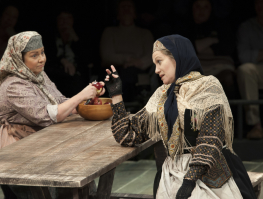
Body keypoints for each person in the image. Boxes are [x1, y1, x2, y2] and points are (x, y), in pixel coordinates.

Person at [104, 35, 256, 199]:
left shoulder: (207, 86)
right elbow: (126, 135)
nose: (156, 70)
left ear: (176, 58)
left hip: (210, 172)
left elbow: (210, 139)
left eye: (159, 61)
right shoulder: (161, 95)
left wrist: (189, 181)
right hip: (172, 174)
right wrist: (116, 96)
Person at [0, 31, 105, 198]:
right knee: (36, 187)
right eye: (34, 55)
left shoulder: (38, 75)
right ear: (19, 59)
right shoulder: (14, 85)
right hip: (10, 142)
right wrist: (82, 95)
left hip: (34, 136)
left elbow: (60, 102)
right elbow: (48, 115)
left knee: (72, 167)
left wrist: (90, 98)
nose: (42, 59)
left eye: (42, 52)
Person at [177, 0, 237, 99]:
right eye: (198, 6)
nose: (201, 10)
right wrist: (212, 40)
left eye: (206, 7)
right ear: (191, 8)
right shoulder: (184, 27)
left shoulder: (221, 26)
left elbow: (228, 48)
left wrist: (198, 46)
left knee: (228, 78)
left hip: (219, 68)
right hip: (192, 70)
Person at [100, 0, 154, 102]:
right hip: (113, 72)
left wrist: (136, 63)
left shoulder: (145, 34)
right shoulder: (109, 32)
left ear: (135, 14)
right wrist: (128, 59)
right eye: (123, 7)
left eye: (129, 7)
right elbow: (107, 56)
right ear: (117, 14)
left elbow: (152, 55)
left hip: (139, 73)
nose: (126, 9)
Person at [236, 0, 263, 139]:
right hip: (258, 69)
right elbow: (243, 56)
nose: (260, 7)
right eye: (258, 3)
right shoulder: (247, 27)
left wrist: (257, 54)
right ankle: (255, 125)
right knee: (245, 70)